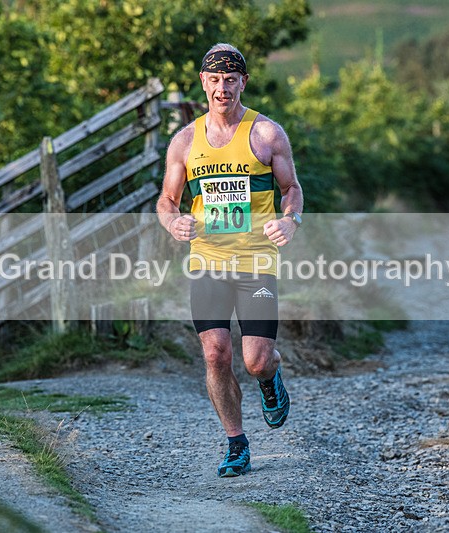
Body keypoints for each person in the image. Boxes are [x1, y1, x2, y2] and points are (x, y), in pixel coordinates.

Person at [156, 43, 304, 477]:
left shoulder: (267, 134)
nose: (223, 88)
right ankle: (236, 443)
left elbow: (291, 188)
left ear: (243, 82)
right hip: (207, 261)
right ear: (204, 82)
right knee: (216, 353)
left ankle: (270, 377)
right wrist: (173, 223)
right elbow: (167, 200)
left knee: (256, 358)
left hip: (257, 261)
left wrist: (291, 220)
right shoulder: (185, 141)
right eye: (215, 79)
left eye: (231, 79)